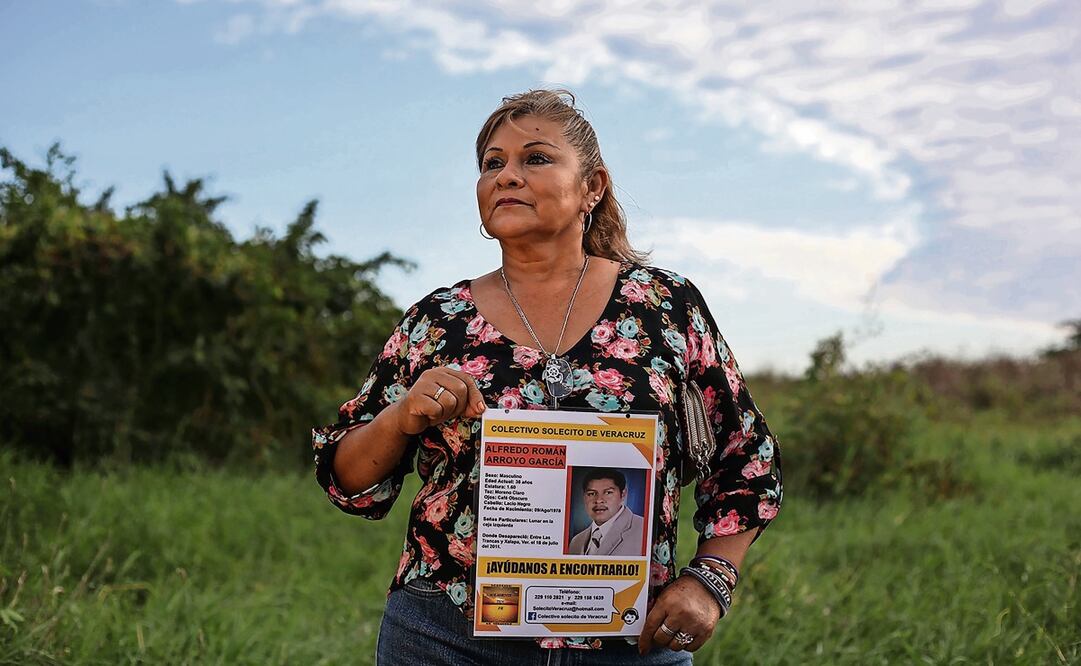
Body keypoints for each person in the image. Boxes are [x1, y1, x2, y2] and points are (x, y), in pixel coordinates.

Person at [312, 88, 783, 665]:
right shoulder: (438, 321)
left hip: (628, 642)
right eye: (492, 163)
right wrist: (402, 415)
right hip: (448, 636)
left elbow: (747, 454)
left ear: (593, 186)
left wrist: (712, 579)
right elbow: (347, 478)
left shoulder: (664, 306)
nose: (506, 175)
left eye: (535, 158)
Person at [568, 468, 646, 556]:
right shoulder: (576, 542)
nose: (599, 500)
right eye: (591, 494)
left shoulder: (644, 530)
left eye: (608, 493)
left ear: (623, 494)